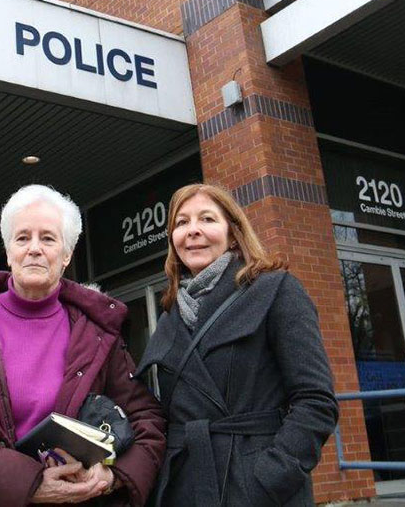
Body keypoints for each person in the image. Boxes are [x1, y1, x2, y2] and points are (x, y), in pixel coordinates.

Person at [0, 184, 165, 506]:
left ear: (67, 255)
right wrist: (29, 484)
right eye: (22, 238)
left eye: (48, 238)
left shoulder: (98, 329)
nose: (34, 248)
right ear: (8, 251)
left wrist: (114, 475)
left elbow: (146, 419)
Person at [137, 183, 338, 506]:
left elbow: (316, 400)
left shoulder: (276, 290)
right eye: (181, 222)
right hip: (184, 487)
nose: (193, 231)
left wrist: (271, 477)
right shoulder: (171, 313)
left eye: (207, 219)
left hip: (254, 486)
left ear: (233, 233)